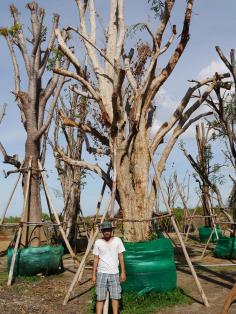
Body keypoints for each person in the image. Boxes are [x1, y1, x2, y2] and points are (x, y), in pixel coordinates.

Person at [92, 220, 126, 314]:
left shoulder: (117, 240)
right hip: (101, 273)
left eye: (108, 230)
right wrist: (94, 275)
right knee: (100, 297)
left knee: (115, 297)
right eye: (105, 230)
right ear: (102, 231)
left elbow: (121, 256)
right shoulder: (98, 242)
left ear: (112, 230)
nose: (107, 232)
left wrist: (123, 272)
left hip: (114, 273)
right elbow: (96, 259)